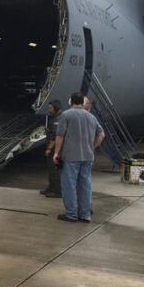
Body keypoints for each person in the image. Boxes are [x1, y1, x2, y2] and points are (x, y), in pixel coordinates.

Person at [53, 92, 105, 223]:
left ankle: (71, 214)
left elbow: (60, 136)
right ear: (82, 102)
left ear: (71, 102)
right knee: (85, 185)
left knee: (69, 185)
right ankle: (85, 214)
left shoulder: (66, 115)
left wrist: (56, 153)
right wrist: (92, 147)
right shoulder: (91, 117)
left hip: (71, 156)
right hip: (88, 156)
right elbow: (101, 134)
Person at [40, 99, 63, 198]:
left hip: (54, 149)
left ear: (55, 108)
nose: (48, 110)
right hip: (52, 148)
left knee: (55, 170)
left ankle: (58, 191)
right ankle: (51, 187)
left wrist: (49, 148)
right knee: (51, 169)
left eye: (50, 108)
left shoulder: (58, 119)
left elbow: (55, 135)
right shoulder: (55, 117)